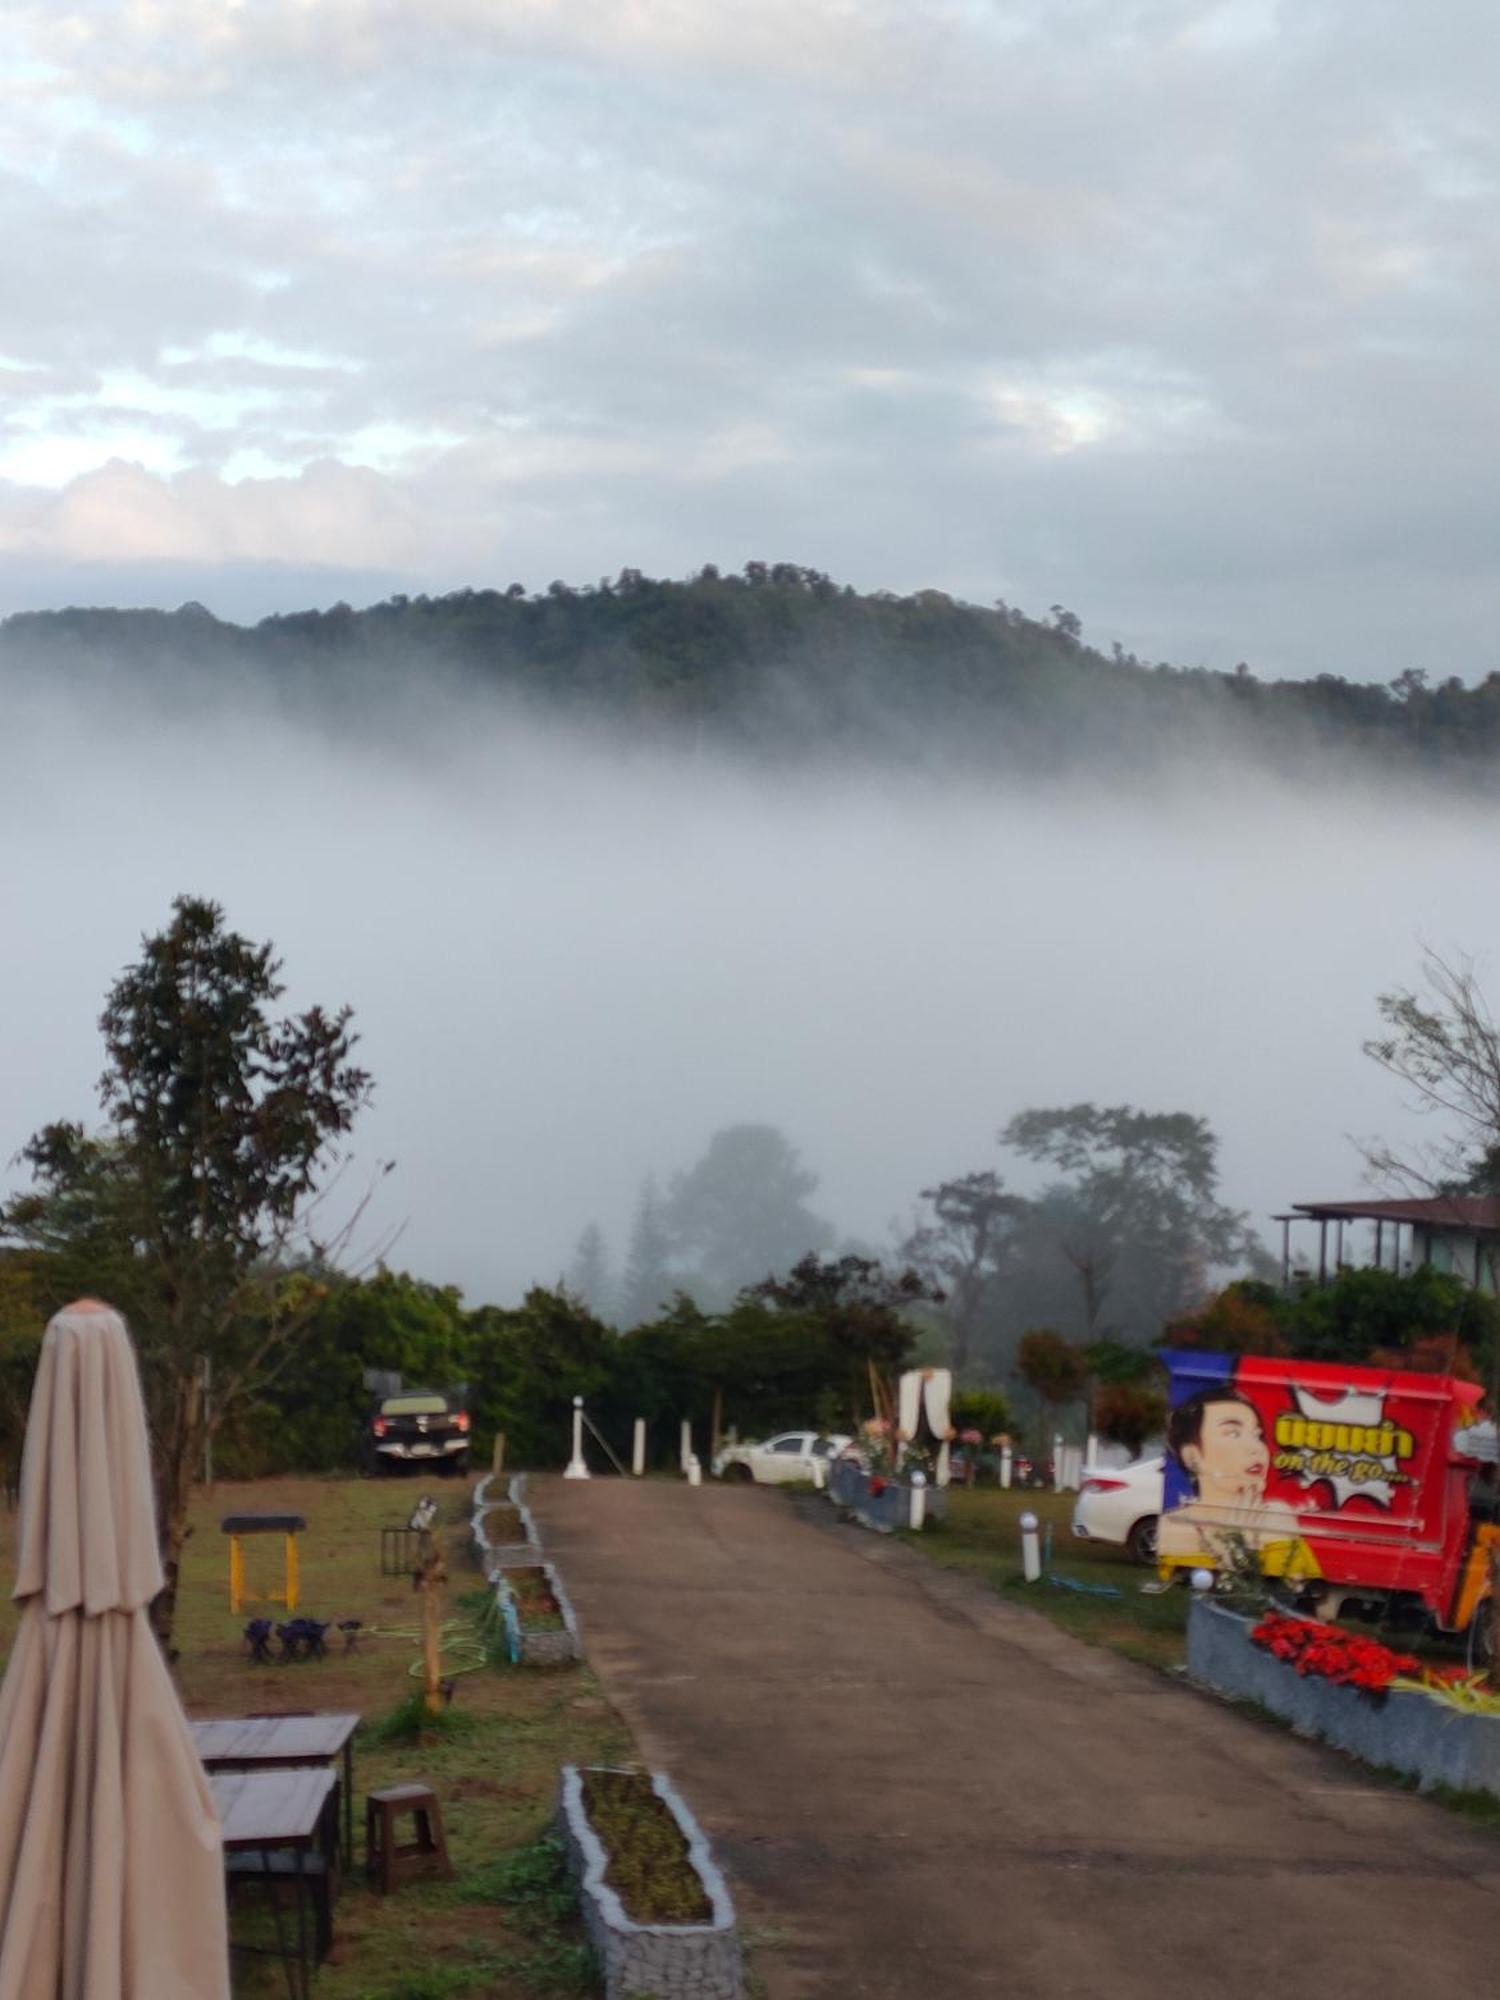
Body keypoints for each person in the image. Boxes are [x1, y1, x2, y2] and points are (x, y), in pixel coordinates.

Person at [1158, 1385, 1314, 1576]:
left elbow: (1296, 1595)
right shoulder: (1175, 1525)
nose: (1256, 1448)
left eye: (1257, 1435)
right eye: (1233, 1433)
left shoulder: (1278, 1516)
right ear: (1192, 1456)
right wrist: (1238, 1547)